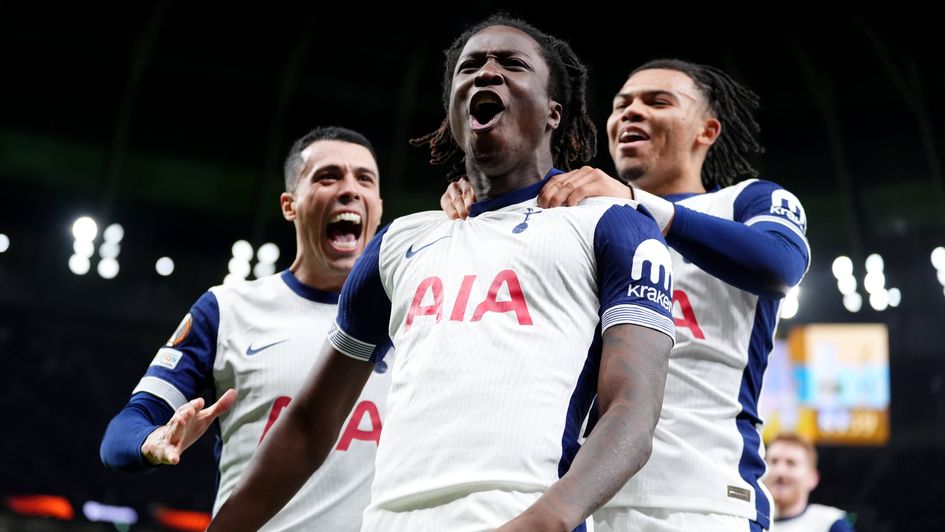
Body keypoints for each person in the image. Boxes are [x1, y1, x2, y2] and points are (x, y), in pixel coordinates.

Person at [209, 15, 675, 532]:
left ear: (552, 112)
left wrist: (545, 521)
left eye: (512, 64)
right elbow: (309, 425)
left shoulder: (612, 226)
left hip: (521, 513)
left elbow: (632, 411)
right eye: (470, 66)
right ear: (454, 113)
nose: (486, 73)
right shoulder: (401, 241)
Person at [443, 59, 810, 531]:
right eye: (621, 105)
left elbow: (780, 264)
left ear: (707, 130)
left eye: (657, 102)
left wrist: (640, 204)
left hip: (704, 503)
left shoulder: (745, 201)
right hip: (582, 503)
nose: (631, 112)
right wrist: (479, 203)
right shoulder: (580, 215)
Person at [100, 126, 389, 531]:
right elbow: (122, 432)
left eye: (364, 179)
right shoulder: (227, 309)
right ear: (290, 205)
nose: (349, 189)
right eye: (328, 176)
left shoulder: (410, 316)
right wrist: (151, 442)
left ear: (378, 205)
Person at [764, 433, 856, 531]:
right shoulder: (751, 521)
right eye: (773, 461)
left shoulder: (830, 524)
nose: (780, 471)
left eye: (791, 463)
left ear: (812, 478)